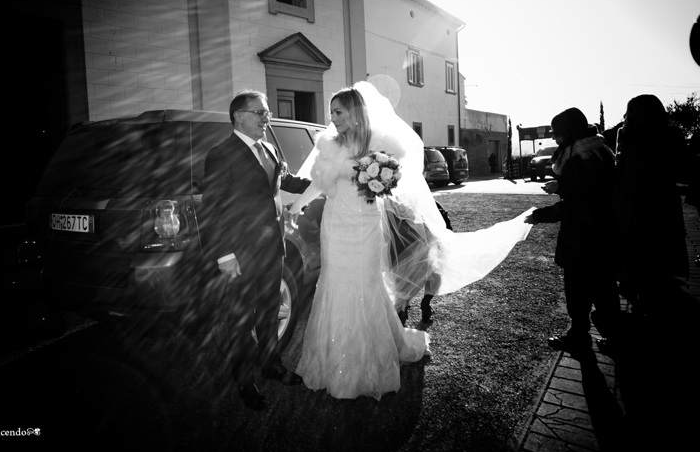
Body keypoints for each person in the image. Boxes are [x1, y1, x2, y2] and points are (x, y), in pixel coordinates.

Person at [288, 82, 532, 400]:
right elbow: (319, 184)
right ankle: (332, 356)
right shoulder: (328, 145)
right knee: (334, 282)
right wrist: (296, 205)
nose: (333, 118)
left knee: (364, 284)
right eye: (331, 112)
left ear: (355, 113)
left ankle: (370, 358)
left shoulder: (377, 142)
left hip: (365, 225)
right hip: (335, 225)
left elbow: (399, 171)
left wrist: (382, 179)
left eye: (338, 111)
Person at [201, 90, 312, 410]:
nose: (268, 118)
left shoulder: (269, 148)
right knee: (239, 319)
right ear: (238, 117)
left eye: (268, 113)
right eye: (260, 113)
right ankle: (243, 381)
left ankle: (271, 365)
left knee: (266, 313)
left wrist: (325, 183)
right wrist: (224, 255)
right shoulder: (221, 153)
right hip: (241, 252)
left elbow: (286, 181)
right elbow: (213, 207)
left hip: (273, 248)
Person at [524, 107, 620, 356]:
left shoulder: (578, 158)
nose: (554, 139)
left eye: (556, 134)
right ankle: (611, 336)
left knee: (580, 291)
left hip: (584, 239)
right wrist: (562, 185)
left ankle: (581, 336)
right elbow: (592, 189)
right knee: (604, 288)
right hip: (603, 235)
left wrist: (540, 215)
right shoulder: (598, 150)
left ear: (568, 132)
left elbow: (579, 204)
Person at [612, 94, 690, 316]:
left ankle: (648, 314)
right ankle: (638, 309)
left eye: (640, 110)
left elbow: (681, 169)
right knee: (630, 259)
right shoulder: (624, 134)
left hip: (657, 203)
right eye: (631, 110)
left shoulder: (669, 135)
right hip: (628, 201)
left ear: (653, 111)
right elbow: (620, 169)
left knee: (655, 260)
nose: (635, 115)